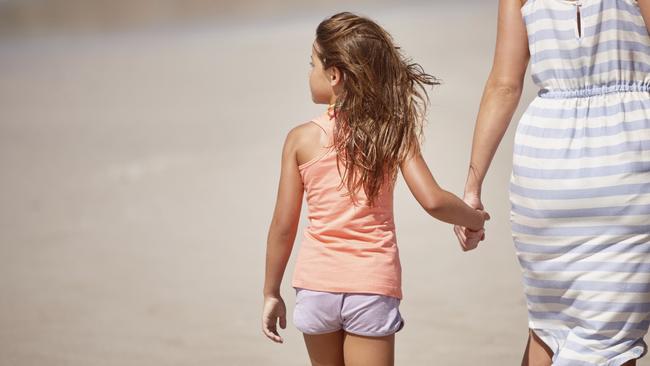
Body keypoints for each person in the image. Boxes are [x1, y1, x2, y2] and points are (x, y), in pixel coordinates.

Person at [261, 11, 489, 366]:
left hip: (316, 285)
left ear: (334, 75)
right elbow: (433, 200)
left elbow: (283, 226)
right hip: (370, 284)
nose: (310, 73)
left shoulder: (300, 140)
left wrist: (271, 291)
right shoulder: (391, 132)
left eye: (313, 64)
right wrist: (473, 217)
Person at [455, 0, 650, 364]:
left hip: (546, 164)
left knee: (549, 323)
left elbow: (504, 86)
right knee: (609, 338)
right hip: (625, 159)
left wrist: (473, 186)